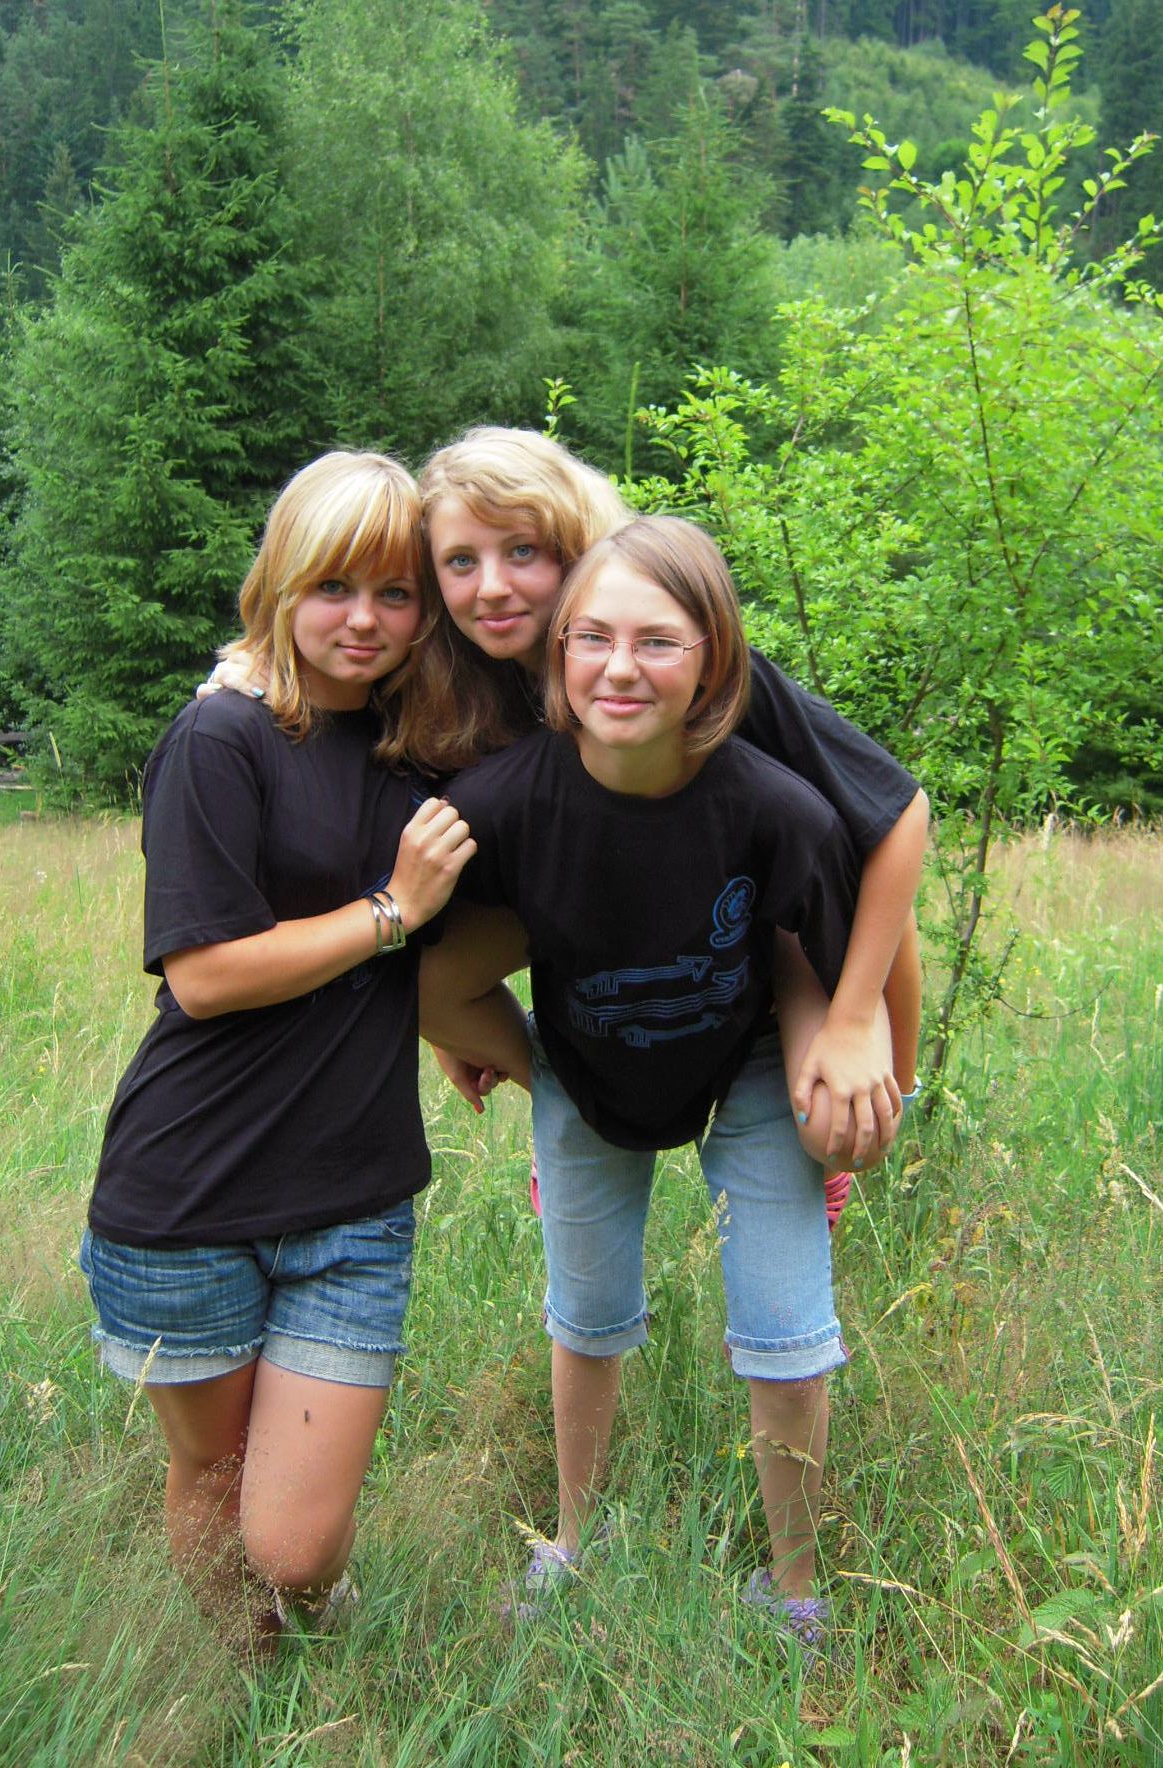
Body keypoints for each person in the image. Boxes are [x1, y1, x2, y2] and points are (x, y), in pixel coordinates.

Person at [423, 516, 874, 1654]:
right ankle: (576, 1542)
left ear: (714, 662)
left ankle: (797, 1588)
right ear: (558, 654)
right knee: (585, 1316)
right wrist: (525, 1061)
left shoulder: (780, 808)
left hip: (749, 1056)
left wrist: (857, 1091)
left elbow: (843, 953)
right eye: (593, 638)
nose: (620, 668)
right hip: (583, 1063)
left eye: (659, 641)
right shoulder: (501, 802)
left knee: (788, 1328)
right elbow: (418, 972)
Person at [80, 452, 504, 1653]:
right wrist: (391, 913)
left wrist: (451, 1014)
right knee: (211, 1476)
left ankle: (312, 1615)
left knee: (296, 1544)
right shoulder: (221, 737)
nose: (363, 619)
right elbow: (204, 975)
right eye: (332, 587)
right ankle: (255, 1687)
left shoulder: (422, 748)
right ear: (280, 585)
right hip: (189, 1194)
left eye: (394, 592)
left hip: (352, 1199)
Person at [413, 427, 927, 1182]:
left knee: (838, 1121)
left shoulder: (693, 670)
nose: (490, 585)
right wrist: (453, 1027)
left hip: (760, 920)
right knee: (416, 977)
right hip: (595, 918)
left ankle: (833, 1122)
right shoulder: (461, 685)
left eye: (522, 550)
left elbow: (889, 819)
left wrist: (867, 1041)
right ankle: (569, 1105)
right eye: (461, 561)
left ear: (577, 549)